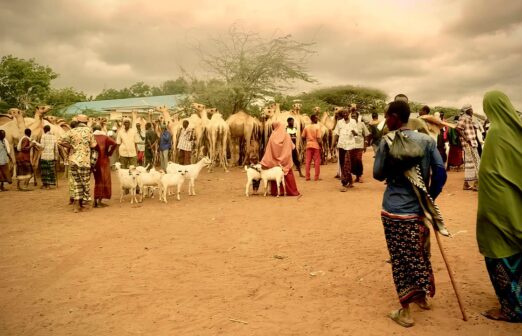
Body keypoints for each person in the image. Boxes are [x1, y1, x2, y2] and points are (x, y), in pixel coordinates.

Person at [373, 100, 447, 328]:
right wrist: (428, 197)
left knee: (401, 259)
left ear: (395, 117)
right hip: (419, 210)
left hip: (394, 209)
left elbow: (377, 174)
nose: (385, 120)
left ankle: (404, 311)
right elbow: (441, 172)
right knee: (420, 253)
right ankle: (422, 298)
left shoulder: (387, 141)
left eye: (387, 116)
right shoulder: (426, 141)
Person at [477, 90, 522, 323]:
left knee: (498, 252)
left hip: (498, 205)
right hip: (517, 202)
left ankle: (511, 308)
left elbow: (488, 172)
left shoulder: (495, 132)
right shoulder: (518, 130)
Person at [59, 114, 97, 213]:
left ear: (78, 122)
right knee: (85, 183)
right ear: (85, 122)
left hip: (73, 160)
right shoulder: (89, 131)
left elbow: (59, 141)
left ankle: (76, 206)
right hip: (84, 161)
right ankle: (84, 202)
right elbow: (94, 145)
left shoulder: (72, 131)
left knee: (76, 183)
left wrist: (71, 146)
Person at [260, 122, 300, 196]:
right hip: (286, 160)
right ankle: (291, 191)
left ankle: (277, 192)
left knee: (275, 175)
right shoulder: (287, 135)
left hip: (275, 162)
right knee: (288, 174)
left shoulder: (272, 136)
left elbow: (268, 150)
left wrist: (266, 160)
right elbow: (293, 147)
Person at [92, 124, 117, 208]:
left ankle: (95, 201)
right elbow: (114, 143)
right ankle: (99, 201)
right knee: (103, 181)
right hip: (104, 161)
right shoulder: (105, 137)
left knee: (97, 180)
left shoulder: (91, 136)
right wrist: (109, 153)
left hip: (94, 162)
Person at [456, 104, 480, 191]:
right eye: (471, 109)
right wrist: (466, 138)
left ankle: (466, 184)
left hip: (472, 143)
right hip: (469, 143)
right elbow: (458, 128)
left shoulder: (469, 118)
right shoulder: (464, 118)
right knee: (476, 163)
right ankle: (476, 184)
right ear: (467, 110)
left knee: (470, 163)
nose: (472, 111)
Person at [331, 109, 356, 192]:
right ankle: (346, 182)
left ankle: (347, 181)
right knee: (342, 164)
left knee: (348, 164)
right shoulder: (339, 122)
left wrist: (353, 132)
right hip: (341, 145)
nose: (345, 114)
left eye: (346, 113)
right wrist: (332, 145)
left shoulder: (353, 121)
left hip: (350, 146)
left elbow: (357, 134)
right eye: (343, 113)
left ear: (349, 113)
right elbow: (336, 134)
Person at [349, 109, 369, 183]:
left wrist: (365, 144)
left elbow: (366, 134)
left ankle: (359, 176)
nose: (353, 117)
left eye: (354, 116)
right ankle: (355, 177)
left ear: (357, 117)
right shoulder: (349, 124)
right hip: (351, 145)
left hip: (359, 145)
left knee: (358, 160)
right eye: (352, 116)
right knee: (352, 161)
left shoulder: (361, 124)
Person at [301, 114, 322, 181]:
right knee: (317, 162)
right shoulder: (317, 127)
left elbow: (303, 137)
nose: (317, 120)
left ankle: (307, 177)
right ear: (314, 119)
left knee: (307, 162)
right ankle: (316, 177)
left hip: (308, 145)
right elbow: (319, 138)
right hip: (315, 145)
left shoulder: (306, 127)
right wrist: (321, 146)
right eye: (316, 119)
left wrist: (305, 143)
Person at [37, 125, 58, 189]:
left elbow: (42, 146)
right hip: (51, 156)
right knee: (50, 171)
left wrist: (35, 143)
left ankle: (45, 185)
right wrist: (56, 157)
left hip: (44, 156)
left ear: (44, 130)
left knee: (44, 171)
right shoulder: (54, 137)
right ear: (49, 129)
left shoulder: (43, 136)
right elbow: (56, 148)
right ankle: (48, 185)